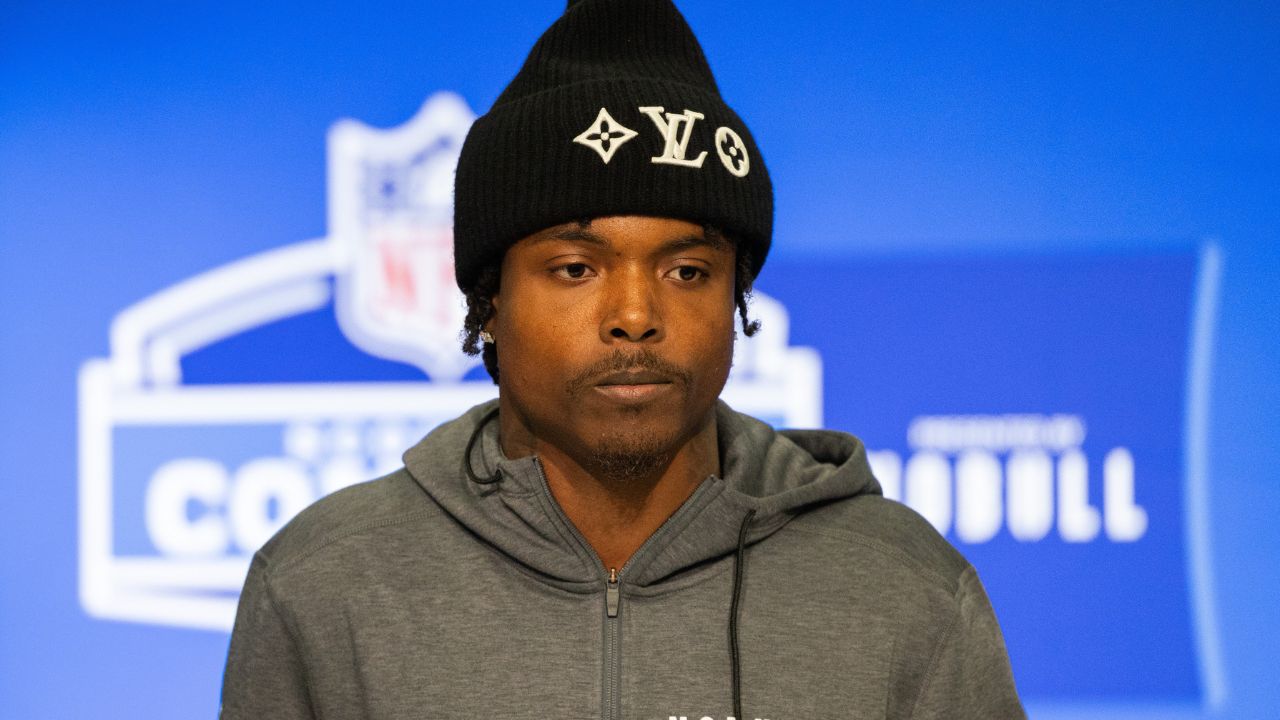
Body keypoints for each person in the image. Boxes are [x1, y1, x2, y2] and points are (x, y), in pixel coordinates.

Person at [220, 1, 1026, 718]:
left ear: (736, 300)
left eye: (687, 271)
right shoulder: (323, 585)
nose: (636, 316)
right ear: (488, 300)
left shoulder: (903, 587)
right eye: (576, 268)